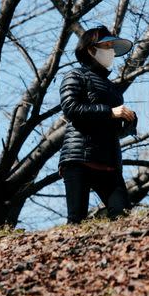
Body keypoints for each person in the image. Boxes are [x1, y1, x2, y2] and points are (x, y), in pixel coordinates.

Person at [59, 25, 137, 224]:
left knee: (123, 216)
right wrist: (109, 112)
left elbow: (115, 131)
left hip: (109, 161)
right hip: (78, 157)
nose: (111, 51)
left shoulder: (113, 89)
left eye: (112, 46)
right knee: (76, 220)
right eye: (107, 45)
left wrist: (129, 122)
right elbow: (71, 108)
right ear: (91, 50)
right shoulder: (75, 76)